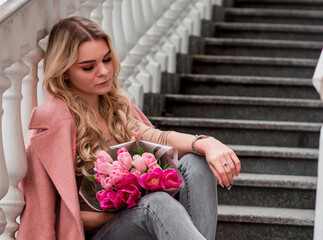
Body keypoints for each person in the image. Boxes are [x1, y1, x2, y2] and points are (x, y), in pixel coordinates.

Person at [17, 16, 241, 240]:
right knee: (156, 203)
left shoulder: (116, 107)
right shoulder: (52, 124)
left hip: (142, 221)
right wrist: (128, 202)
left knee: (196, 162)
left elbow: (157, 138)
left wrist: (206, 143)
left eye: (107, 60)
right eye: (88, 67)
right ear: (64, 71)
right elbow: (56, 216)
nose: (104, 71)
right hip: (98, 233)